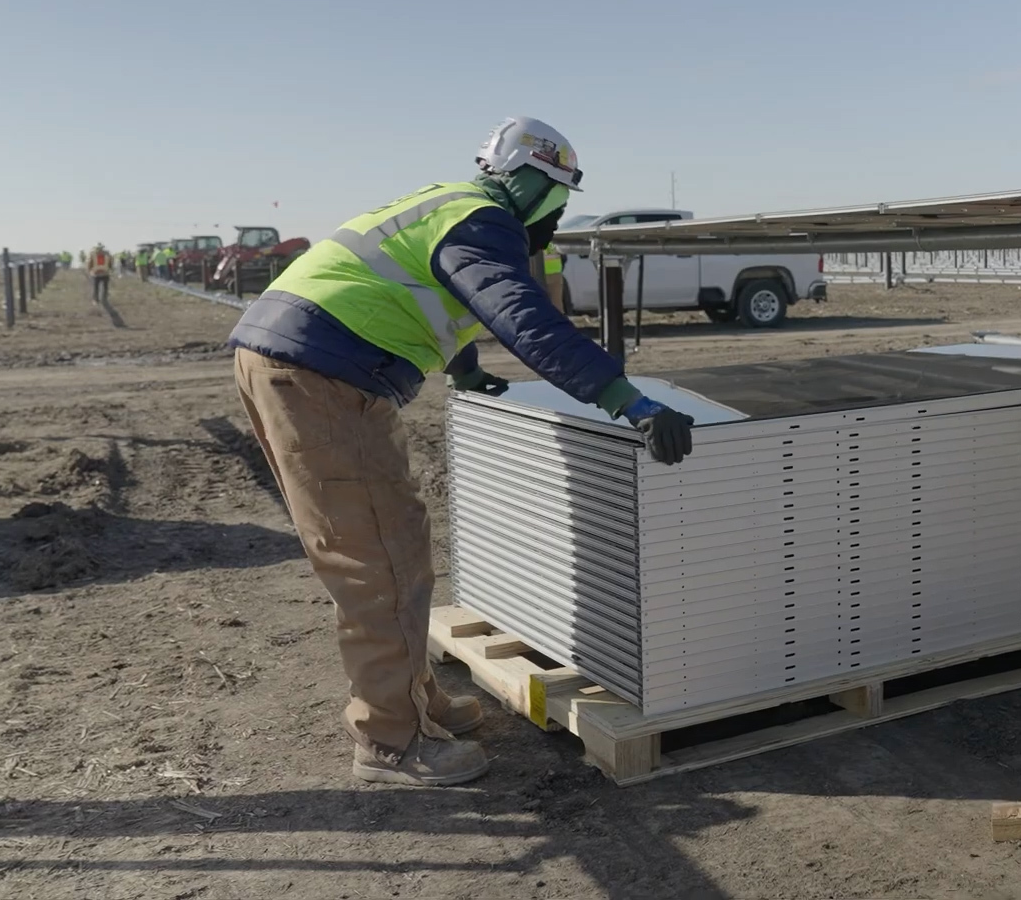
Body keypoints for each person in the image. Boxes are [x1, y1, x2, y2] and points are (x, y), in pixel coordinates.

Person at [226, 117, 696, 788]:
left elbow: (435, 294)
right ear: (535, 183)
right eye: (559, 195)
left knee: (399, 540)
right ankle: (391, 740)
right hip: (323, 375)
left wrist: (465, 368)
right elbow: (524, 316)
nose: (559, 214)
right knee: (377, 560)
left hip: (304, 361)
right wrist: (631, 402)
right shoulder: (486, 222)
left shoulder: (450, 205)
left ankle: (413, 699)